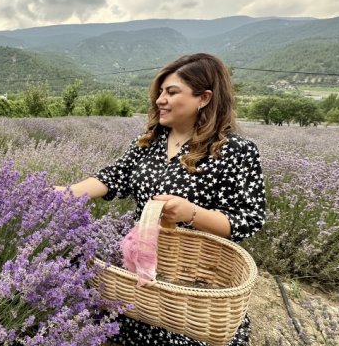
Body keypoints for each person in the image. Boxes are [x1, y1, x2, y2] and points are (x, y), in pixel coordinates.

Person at [58, 53, 266, 345]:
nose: (159, 100)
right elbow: (113, 176)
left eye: (171, 92)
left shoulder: (234, 151)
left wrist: (191, 213)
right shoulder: (149, 142)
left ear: (203, 98)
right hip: (139, 271)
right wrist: (63, 194)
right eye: (159, 92)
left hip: (190, 284)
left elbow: (248, 220)